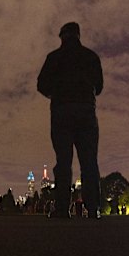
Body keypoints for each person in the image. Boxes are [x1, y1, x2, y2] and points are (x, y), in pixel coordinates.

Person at [37, 22, 103, 219]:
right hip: (85, 110)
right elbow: (99, 87)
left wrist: (56, 93)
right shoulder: (91, 57)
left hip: (61, 110)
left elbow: (41, 85)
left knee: (63, 161)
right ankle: (93, 208)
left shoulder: (54, 58)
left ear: (61, 36)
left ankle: (62, 208)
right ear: (78, 35)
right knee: (89, 161)